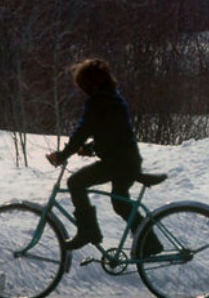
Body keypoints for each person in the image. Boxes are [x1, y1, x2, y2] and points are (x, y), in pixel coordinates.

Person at [45, 58, 146, 251]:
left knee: (75, 182)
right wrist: (91, 149)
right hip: (127, 161)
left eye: (82, 84)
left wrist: (63, 155)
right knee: (120, 204)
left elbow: (83, 130)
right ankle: (149, 243)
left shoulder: (98, 102)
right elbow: (110, 133)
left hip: (119, 163)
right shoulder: (113, 98)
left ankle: (88, 232)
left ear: (90, 83)